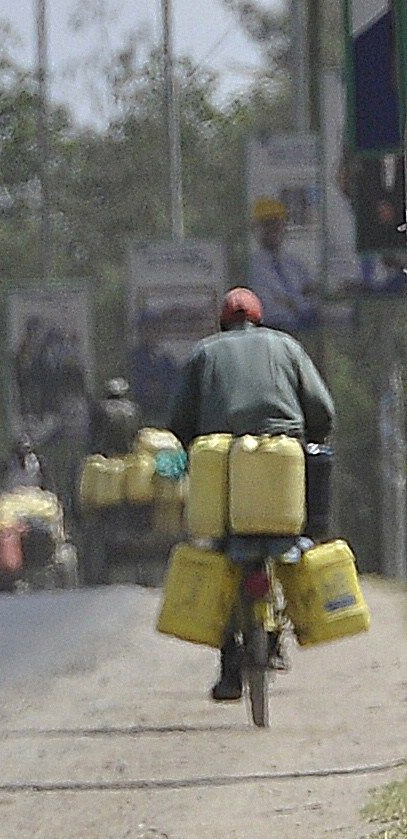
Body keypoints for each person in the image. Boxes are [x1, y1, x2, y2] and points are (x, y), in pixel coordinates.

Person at [167, 287, 336, 702]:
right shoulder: (287, 346)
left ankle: (229, 672)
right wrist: (306, 438)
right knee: (300, 536)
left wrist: (197, 450)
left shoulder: (205, 353)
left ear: (223, 323)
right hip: (282, 464)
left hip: (223, 469)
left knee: (223, 557)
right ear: (258, 320)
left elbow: (179, 422)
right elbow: (322, 410)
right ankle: (280, 634)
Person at [247, 198, 317, 333]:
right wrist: (297, 304)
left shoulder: (294, 264)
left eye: (277, 223)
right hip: (270, 333)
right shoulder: (252, 267)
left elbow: (312, 291)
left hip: (303, 331)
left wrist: (296, 302)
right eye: (267, 224)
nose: (273, 229)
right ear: (256, 229)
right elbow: (270, 307)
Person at [88, 377, 141, 456]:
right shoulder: (133, 408)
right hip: (127, 453)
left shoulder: (101, 407)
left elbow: (94, 430)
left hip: (105, 453)